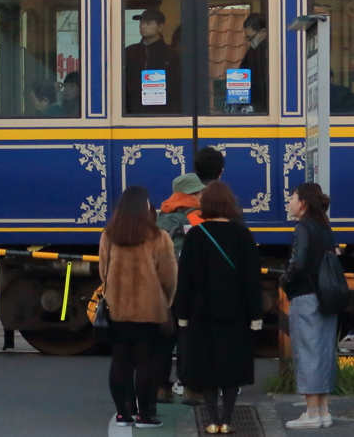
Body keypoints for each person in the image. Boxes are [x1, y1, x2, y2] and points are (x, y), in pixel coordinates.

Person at [176, 181, 263, 434]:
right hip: (237, 314)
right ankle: (228, 420)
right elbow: (252, 279)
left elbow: (185, 280)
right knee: (231, 368)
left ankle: (212, 421)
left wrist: (182, 315)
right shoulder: (243, 236)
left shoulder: (195, 236)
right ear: (229, 204)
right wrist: (255, 315)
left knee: (208, 367)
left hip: (202, 314)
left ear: (205, 205)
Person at [100, 186, 178, 429]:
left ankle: (123, 413)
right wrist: (165, 302)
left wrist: (112, 292)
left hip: (118, 308)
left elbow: (103, 271)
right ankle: (145, 415)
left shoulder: (110, 234)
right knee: (147, 363)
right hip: (149, 309)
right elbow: (169, 277)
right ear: (145, 208)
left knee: (120, 361)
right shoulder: (159, 237)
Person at [280, 183, 339, 429]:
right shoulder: (325, 227)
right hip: (327, 297)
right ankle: (323, 410)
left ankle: (312, 413)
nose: (289, 202)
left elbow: (298, 263)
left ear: (303, 203)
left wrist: (285, 281)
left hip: (306, 296)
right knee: (324, 352)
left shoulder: (303, 228)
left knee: (306, 354)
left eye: (292, 197)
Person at [154, 173, 205, 407]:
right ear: (192, 194)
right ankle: (190, 389)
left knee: (164, 337)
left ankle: (161, 388)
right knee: (188, 337)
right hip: (188, 287)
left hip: (163, 286)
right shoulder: (195, 217)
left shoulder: (160, 216)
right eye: (200, 192)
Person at [124, 9, 179, 115]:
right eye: (141, 23)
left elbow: (178, 88)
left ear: (160, 27)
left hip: (163, 114)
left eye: (148, 23)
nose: (143, 26)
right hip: (132, 114)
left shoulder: (172, 54)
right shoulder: (129, 52)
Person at [239, 13, 269, 114]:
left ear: (263, 32)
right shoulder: (253, 51)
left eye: (251, 38)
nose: (250, 42)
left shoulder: (266, 52)